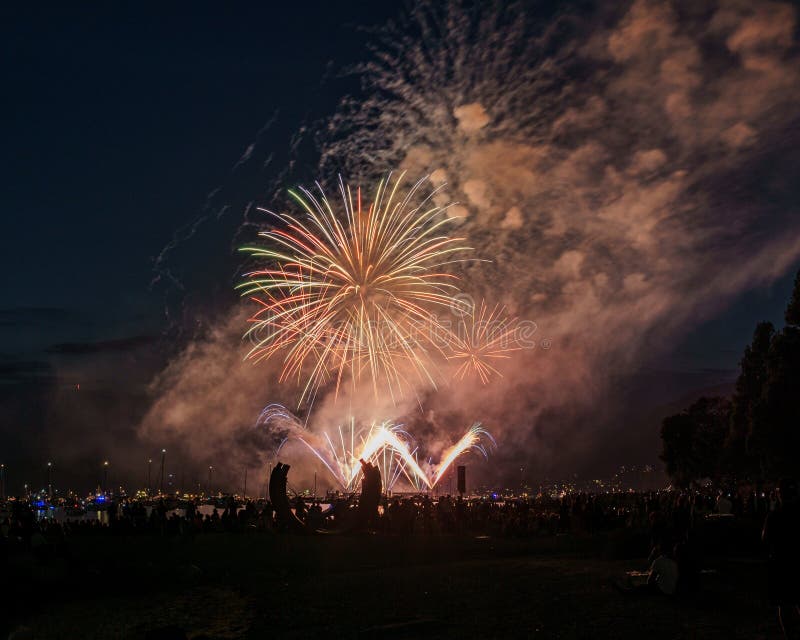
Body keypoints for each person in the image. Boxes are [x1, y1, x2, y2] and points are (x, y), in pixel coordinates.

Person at [763, 477, 800, 639]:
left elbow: (765, 540)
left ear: (780, 495)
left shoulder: (775, 516)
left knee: (784, 604)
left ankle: (790, 635)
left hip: (782, 564)